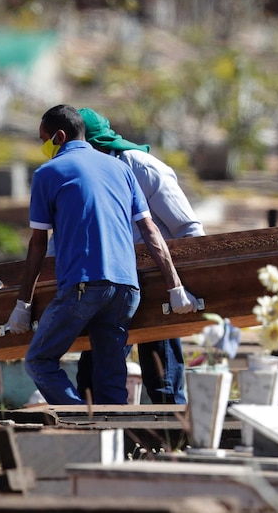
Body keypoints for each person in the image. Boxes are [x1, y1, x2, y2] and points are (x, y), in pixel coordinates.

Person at [2, 104, 199, 405]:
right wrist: (176, 288)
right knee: (103, 379)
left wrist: (23, 304)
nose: (43, 147)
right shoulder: (120, 170)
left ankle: (84, 420)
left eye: (44, 139)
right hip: (127, 288)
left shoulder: (58, 172)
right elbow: (149, 231)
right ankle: (111, 438)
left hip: (96, 286)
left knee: (40, 361)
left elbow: (39, 245)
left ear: (59, 136)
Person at [75, 107, 205, 404]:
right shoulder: (79, 175)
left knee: (163, 380)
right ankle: (101, 442)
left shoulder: (142, 168)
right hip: (109, 285)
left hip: (159, 281)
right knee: (93, 378)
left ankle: (172, 443)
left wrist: (182, 286)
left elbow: (189, 230)